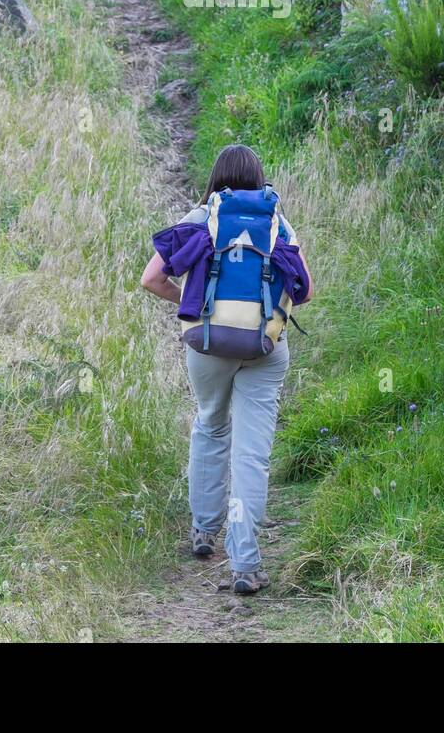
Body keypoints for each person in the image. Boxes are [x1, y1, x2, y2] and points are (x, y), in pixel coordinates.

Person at [141, 143, 313, 595]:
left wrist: (198, 307)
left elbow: (151, 279)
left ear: (215, 178)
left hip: (207, 346)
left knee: (210, 426)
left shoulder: (200, 218)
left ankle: (203, 531)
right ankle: (246, 565)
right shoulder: (277, 220)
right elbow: (306, 287)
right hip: (265, 346)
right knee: (251, 456)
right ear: (259, 177)